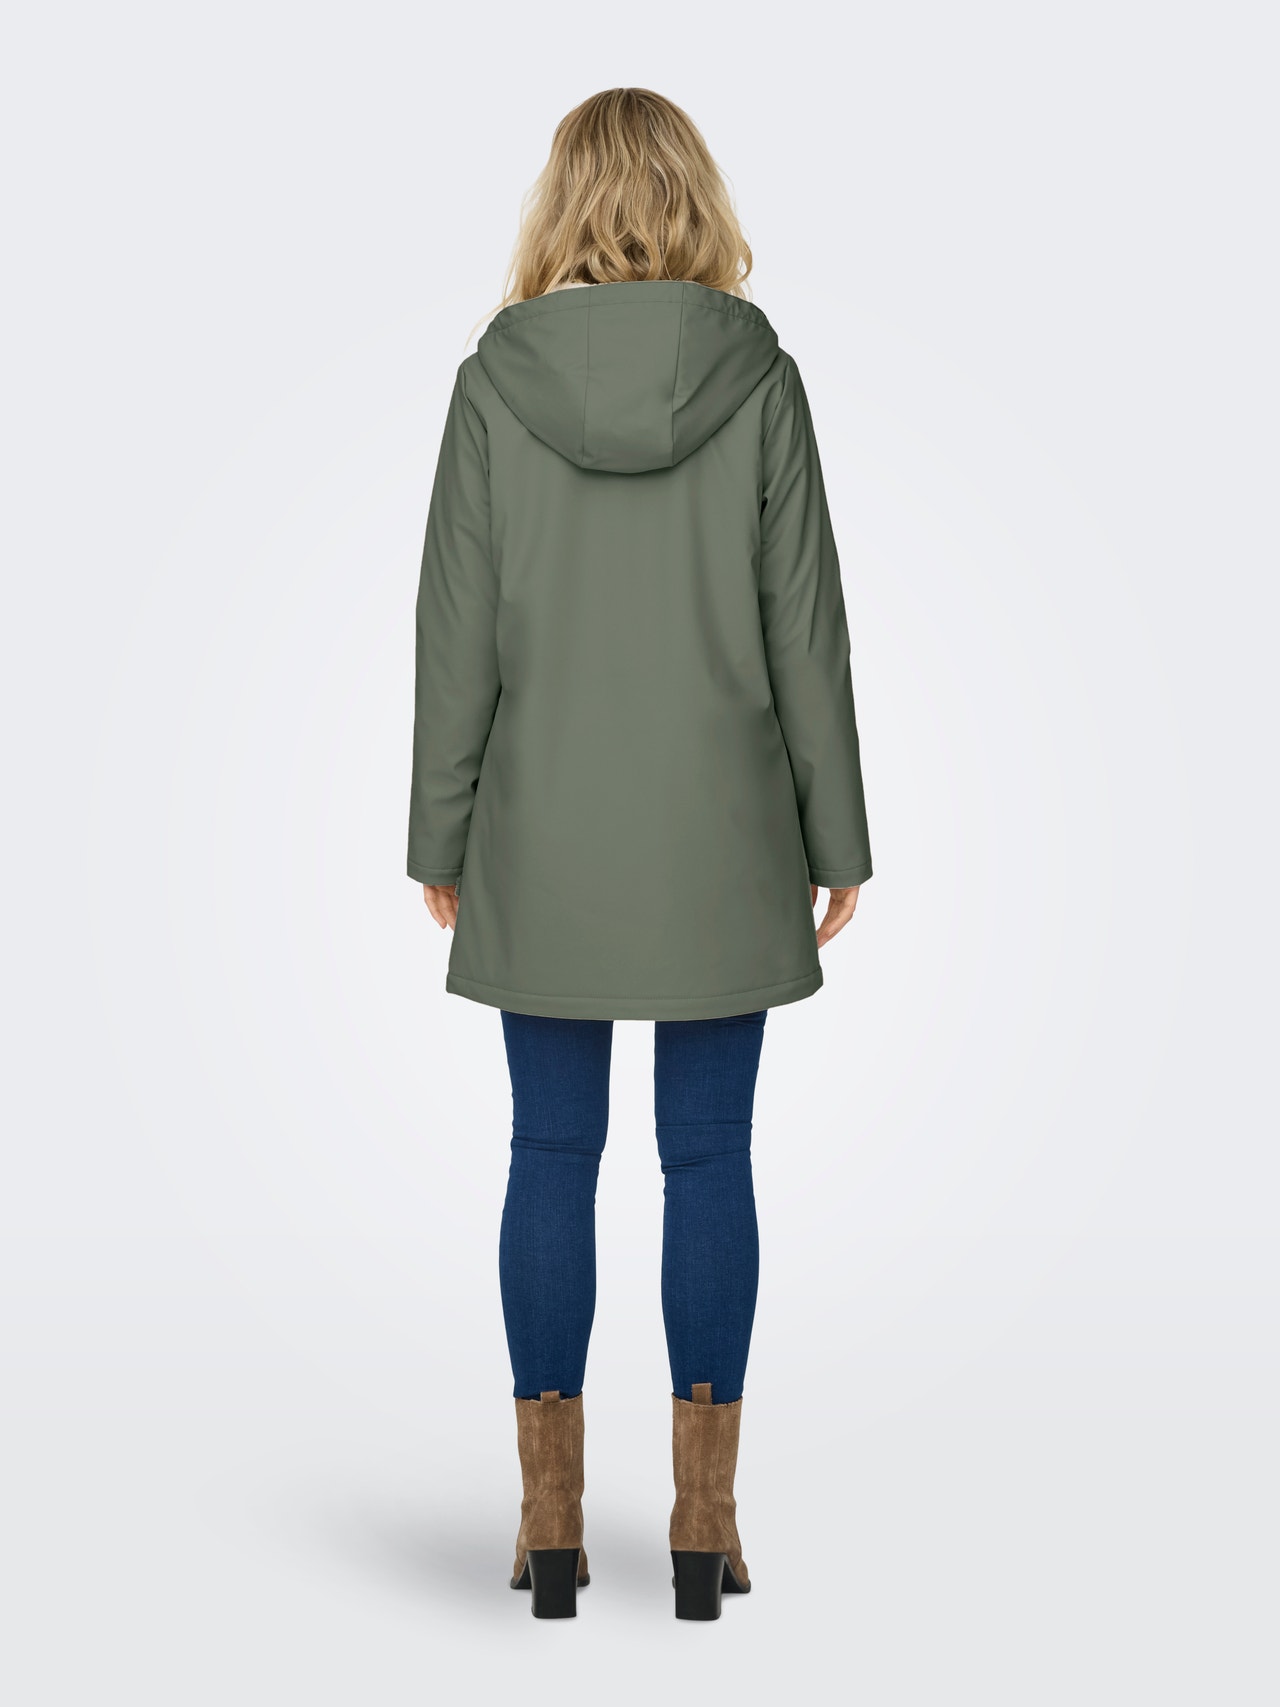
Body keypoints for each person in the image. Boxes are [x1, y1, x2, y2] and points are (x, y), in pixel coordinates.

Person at [407, 88, 872, 1620]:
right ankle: (700, 1527)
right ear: (697, 201)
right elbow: (806, 629)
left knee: (550, 1153)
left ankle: (549, 1528)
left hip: (540, 826)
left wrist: (440, 830)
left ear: (561, 206)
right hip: (723, 833)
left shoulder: (494, 384)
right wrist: (836, 833)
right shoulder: (762, 381)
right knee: (709, 1159)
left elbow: (456, 636)